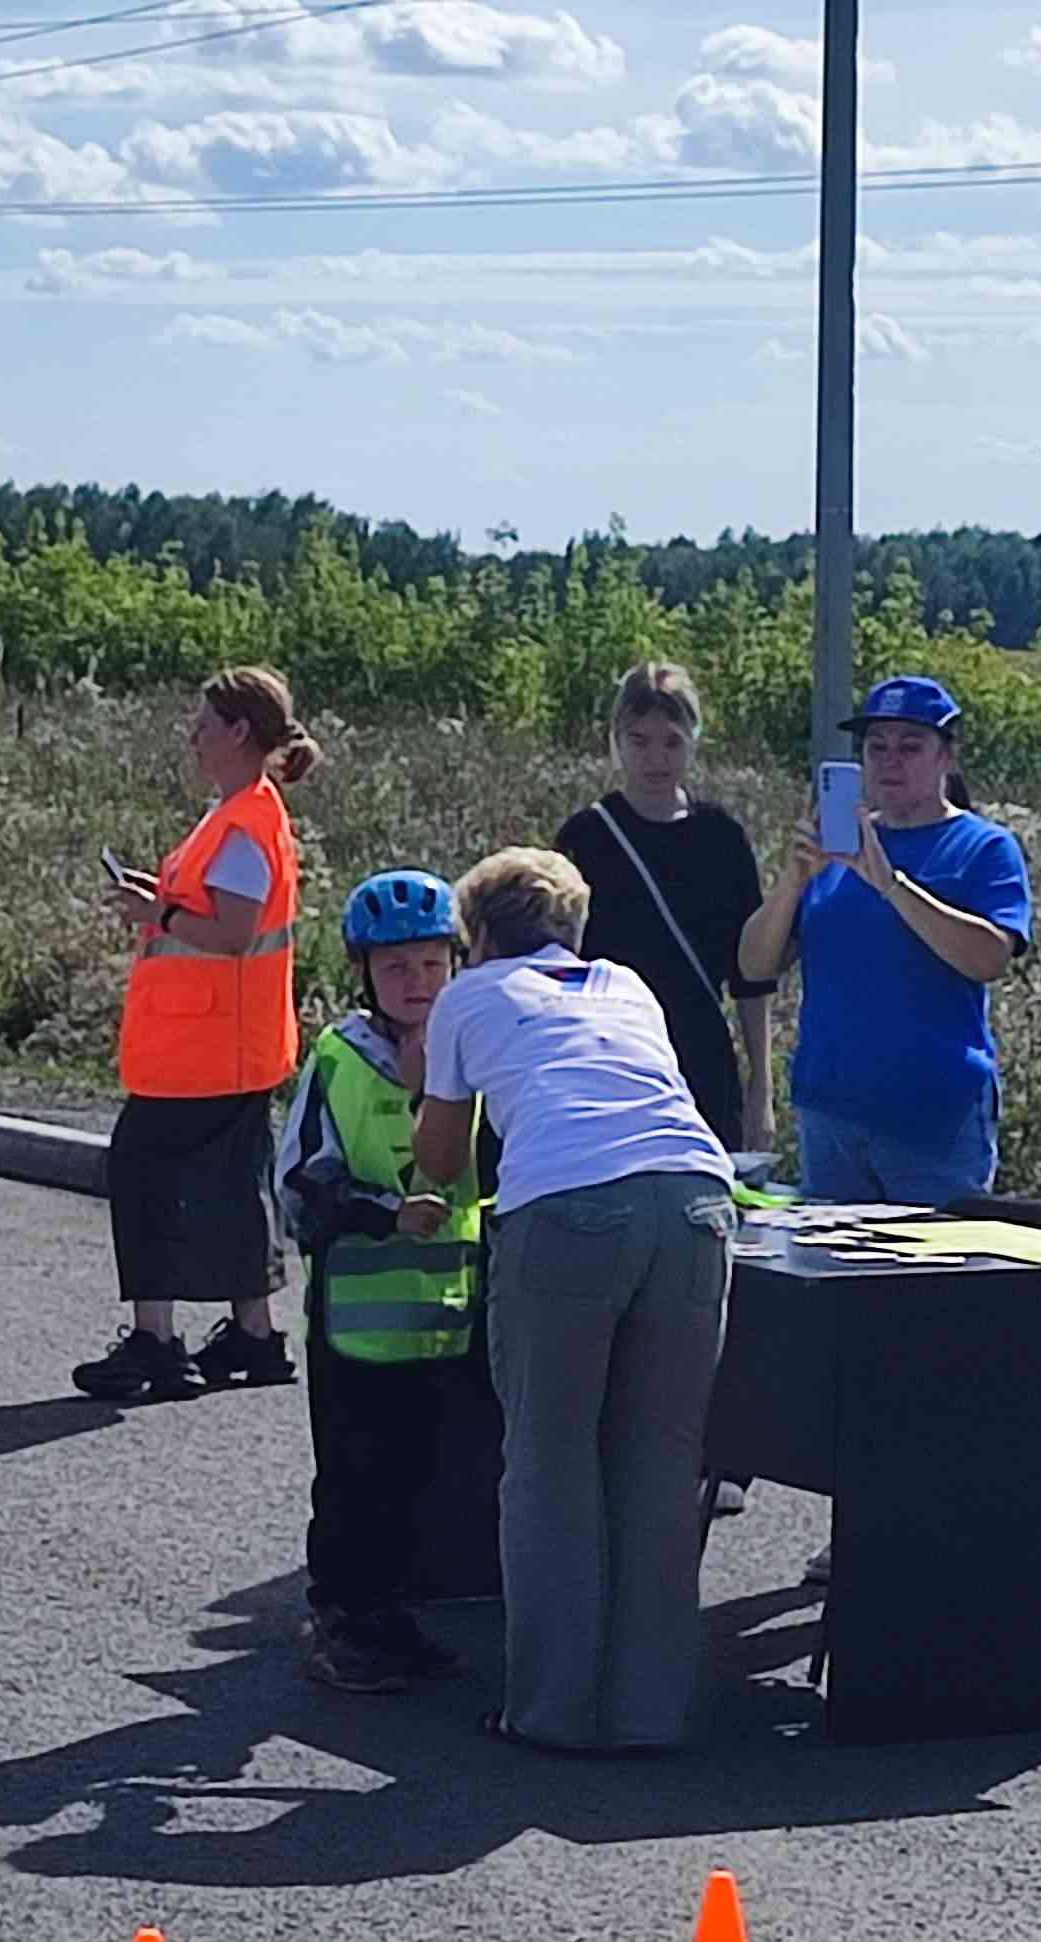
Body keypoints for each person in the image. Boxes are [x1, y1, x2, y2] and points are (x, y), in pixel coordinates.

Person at [412, 847, 736, 1753]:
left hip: (566, 1206)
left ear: (475, 936)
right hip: (694, 1202)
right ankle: (647, 1712)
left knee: (551, 1460)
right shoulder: (627, 986)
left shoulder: (468, 998)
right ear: (572, 932)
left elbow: (440, 1159)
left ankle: (551, 1708)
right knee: (661, 1459)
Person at [277, 870, 500, 1695]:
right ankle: (341, 1621)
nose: (417, 983)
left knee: (416, 1483)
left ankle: (389, 1622)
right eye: (396, 968)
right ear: (366, 975)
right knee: (353, 1484)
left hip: (444, 1316)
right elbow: (298, 1184)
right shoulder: (338, 1060)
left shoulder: (478, 1054)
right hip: (358, 1324)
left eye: (431, 966)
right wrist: (380, 1210)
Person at [71, 665, 315, 1404]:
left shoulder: (244, 821)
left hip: (207, 1047)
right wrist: (164, 899)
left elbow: (234, 932)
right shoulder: (240, 811)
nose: (194, 735)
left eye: (205, 724)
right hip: (225, 1043)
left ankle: (157, 1342)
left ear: (241, 733)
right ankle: (254, 1333)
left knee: (144, 1178)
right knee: (235, 1190)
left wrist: (160, 917)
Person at [737, 673, 1033, 1207]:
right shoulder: (836, 850)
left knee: (931, 1283)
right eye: (876, 748)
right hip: (831, 1113)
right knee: (834, 1283)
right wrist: (792, 881)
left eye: (910, 746)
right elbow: (756, 965)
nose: (889, 761)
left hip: (932, 1119)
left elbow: (989, 957)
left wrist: (891, 885)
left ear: (947, 758)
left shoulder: (984, 848)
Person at [550, 662, 777, 1153]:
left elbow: (751, 975)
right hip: (608, 1059)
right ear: (615, 741)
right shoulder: (584, 839)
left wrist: (762, 1084)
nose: (656, 758)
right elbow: (553, 966)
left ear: (694, 740)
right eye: (639, 741)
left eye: (671, 741)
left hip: (701, 1060)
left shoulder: (722, 838)